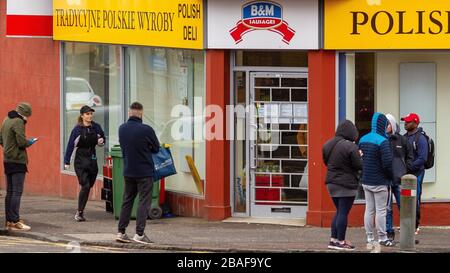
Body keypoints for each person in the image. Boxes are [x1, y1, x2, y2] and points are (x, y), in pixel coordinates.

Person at [116, 102, 160, 245]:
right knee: (143, 202)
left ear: (129, 113)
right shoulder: (146, 130)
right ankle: (139, 234)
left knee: (127, 201)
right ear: (141, 113)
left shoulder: (122, 129)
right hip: (144, 172)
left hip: (128, 171)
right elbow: (156, 148)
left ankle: (121, 232)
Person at [323, 120, 363, 250]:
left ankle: (333, 240)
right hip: (346, 184)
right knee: (343, 212)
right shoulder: (351, 146)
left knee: (340, 211)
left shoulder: (328, 144)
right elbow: (359, 165)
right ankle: (341, 242)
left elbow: (326, 162)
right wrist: (360, 155)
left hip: (331, 183)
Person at [359, 112, 394, 247]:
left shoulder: (363, 139)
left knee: (369, 209)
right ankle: (382, 237)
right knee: (381, 211)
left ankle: (369, 237)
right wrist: (390, 178)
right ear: (382, 124)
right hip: (380, 182)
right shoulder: (383, 141)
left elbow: (360, 158)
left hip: (366, 181)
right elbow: (387, 164)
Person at [64, 105, 105, 222]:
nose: (90, 116)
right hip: (80, 161)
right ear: (82, 116)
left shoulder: (96, 127)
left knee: (89, 186)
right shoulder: (77, 130)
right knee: (85, 185)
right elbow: (70, 146)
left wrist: (101, 141)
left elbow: (102, 138)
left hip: (92, 159)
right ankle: (79, 212)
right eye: (87, 114)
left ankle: (81, 209)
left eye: (91, 114)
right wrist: (67, 161)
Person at [0, 102, 37, 231]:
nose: (27, 119)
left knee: (9, 192)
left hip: (7, 160)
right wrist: (30, 142)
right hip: (17, 161)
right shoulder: (18, 122)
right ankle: (15, 221)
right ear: (24, 114)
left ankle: (9, 221)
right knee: (17, 192)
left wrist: (9, 149)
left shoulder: (6, 119)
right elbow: (21, 142)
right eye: (28, 116)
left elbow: (1, 139)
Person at [385, 114, 414, 241]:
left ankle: (407, 234)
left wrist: (405, 171)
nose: (386, 126)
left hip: (400, 179)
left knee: (404, 207)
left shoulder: (402, 140)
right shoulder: (382, 140)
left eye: (388, 123)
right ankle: (389, 233)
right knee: (388, 209)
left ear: (393, 124)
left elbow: (410, 156)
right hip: (386, 180)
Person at [401, 113, 428, 235]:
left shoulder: (421, 139)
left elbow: (423, 158)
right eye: (405, 121)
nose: (405, 123)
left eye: (408, 121)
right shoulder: (404, 137)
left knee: (415, 199)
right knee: (406, 199)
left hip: (417, 173)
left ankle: (415, 225)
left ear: (415, 123)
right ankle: (407, 224)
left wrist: (410, 167)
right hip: (405, 174)